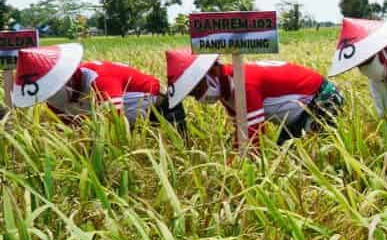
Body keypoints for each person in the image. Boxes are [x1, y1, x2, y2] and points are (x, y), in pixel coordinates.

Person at [165, 49, 343, 147]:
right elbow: (241, 132)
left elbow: (253, 137)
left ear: (210, 72)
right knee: (285, 158)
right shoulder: (227, 93)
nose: (197, 98)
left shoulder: (243, 84)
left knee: (316, 158)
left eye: (196, 90)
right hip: (297, 116)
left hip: (322, 100)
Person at [11, 43, 186, 133]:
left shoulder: (99, 77)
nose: (50, 98)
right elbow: (75, 131)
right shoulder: (52, 100)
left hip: (160, 111)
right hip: (123, 120)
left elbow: (116, 127)